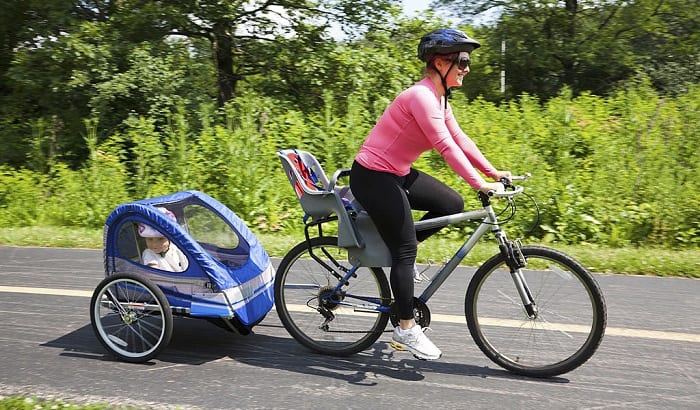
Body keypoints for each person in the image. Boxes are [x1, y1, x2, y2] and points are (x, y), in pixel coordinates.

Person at [349, 28, 511, 360]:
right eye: (462, 61)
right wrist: (479, 183)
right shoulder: (420, 97)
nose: (467, 68)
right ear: (439, 62)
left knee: (450, 203)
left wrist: (492, 172)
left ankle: (399, 255)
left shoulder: (438, 98)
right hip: (372, 177)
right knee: (405, 250)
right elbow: (444, 147)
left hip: (397, 173)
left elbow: (461, 139)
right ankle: (405, 329)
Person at [138, 207, 188, 272]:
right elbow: (156, 273)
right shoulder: (149, 253)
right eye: (150, 239)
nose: (154, 244)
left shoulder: (177, 248)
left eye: (161, 239)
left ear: (170, 238)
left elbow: (186, 263)